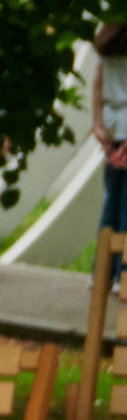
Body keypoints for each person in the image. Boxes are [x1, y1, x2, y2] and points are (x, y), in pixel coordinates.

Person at [96, 25, 127, 290]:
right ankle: (121, 274)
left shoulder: (105, 48)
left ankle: (101, 272)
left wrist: (97, 124)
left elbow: (97, 84)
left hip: (111, 127)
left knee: (112, 202)